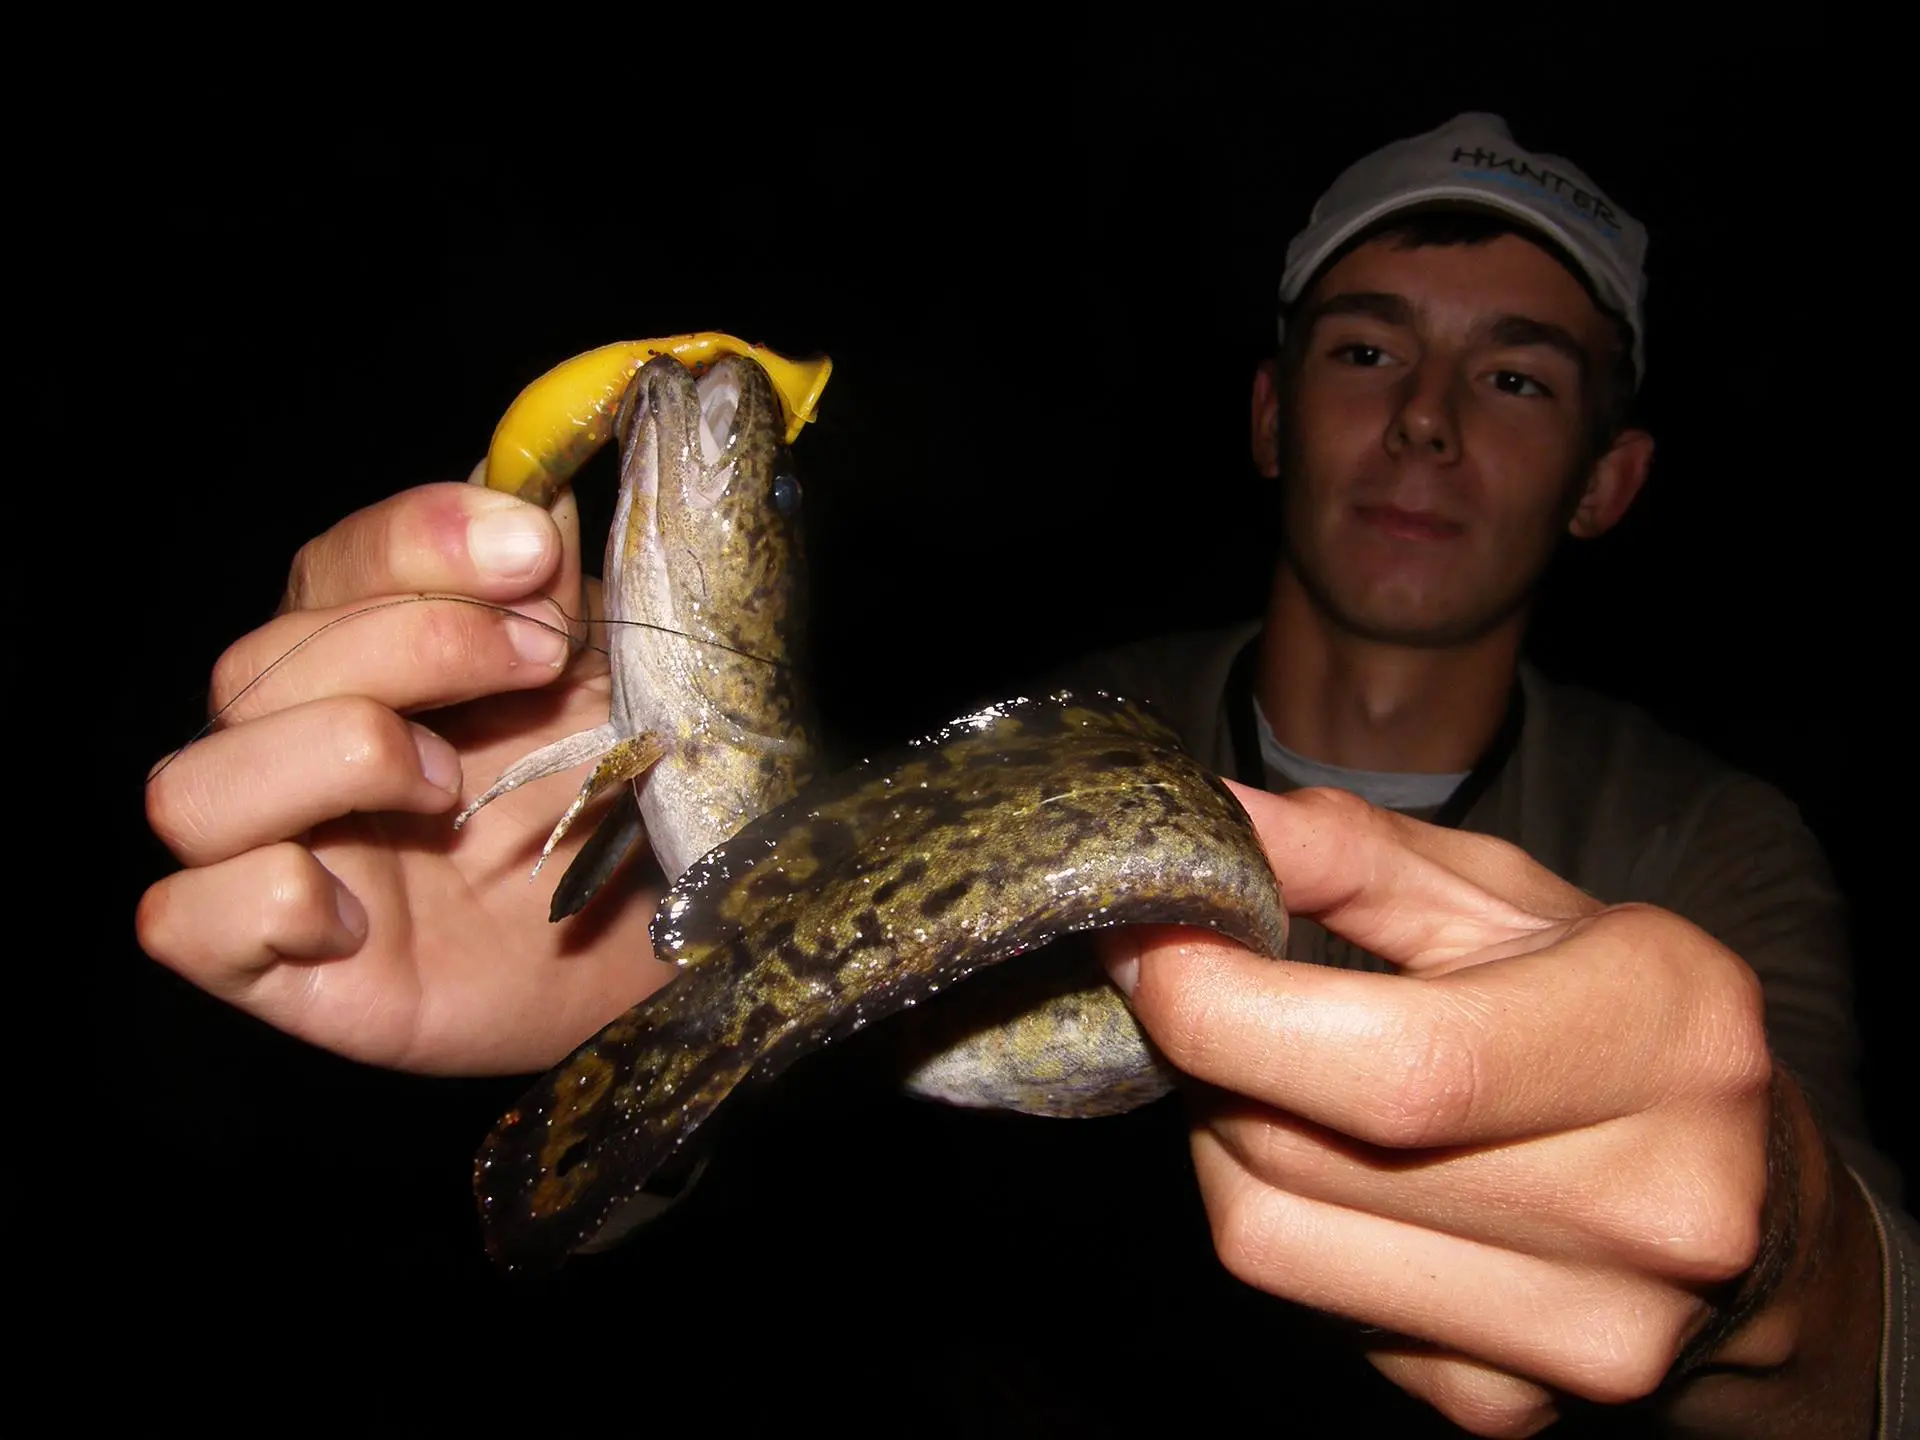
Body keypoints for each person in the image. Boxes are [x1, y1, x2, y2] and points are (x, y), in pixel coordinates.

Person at [137, 114, 1912, 1437]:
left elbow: (1880, 1362)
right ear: (1272, 412)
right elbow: (747, 1284)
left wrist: (1779, 1268)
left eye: (1517, 378)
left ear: (1610, 479)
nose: (1426, 420)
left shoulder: (1712, 842)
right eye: (1369, 349)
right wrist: (640, 967)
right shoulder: (1059, 718)